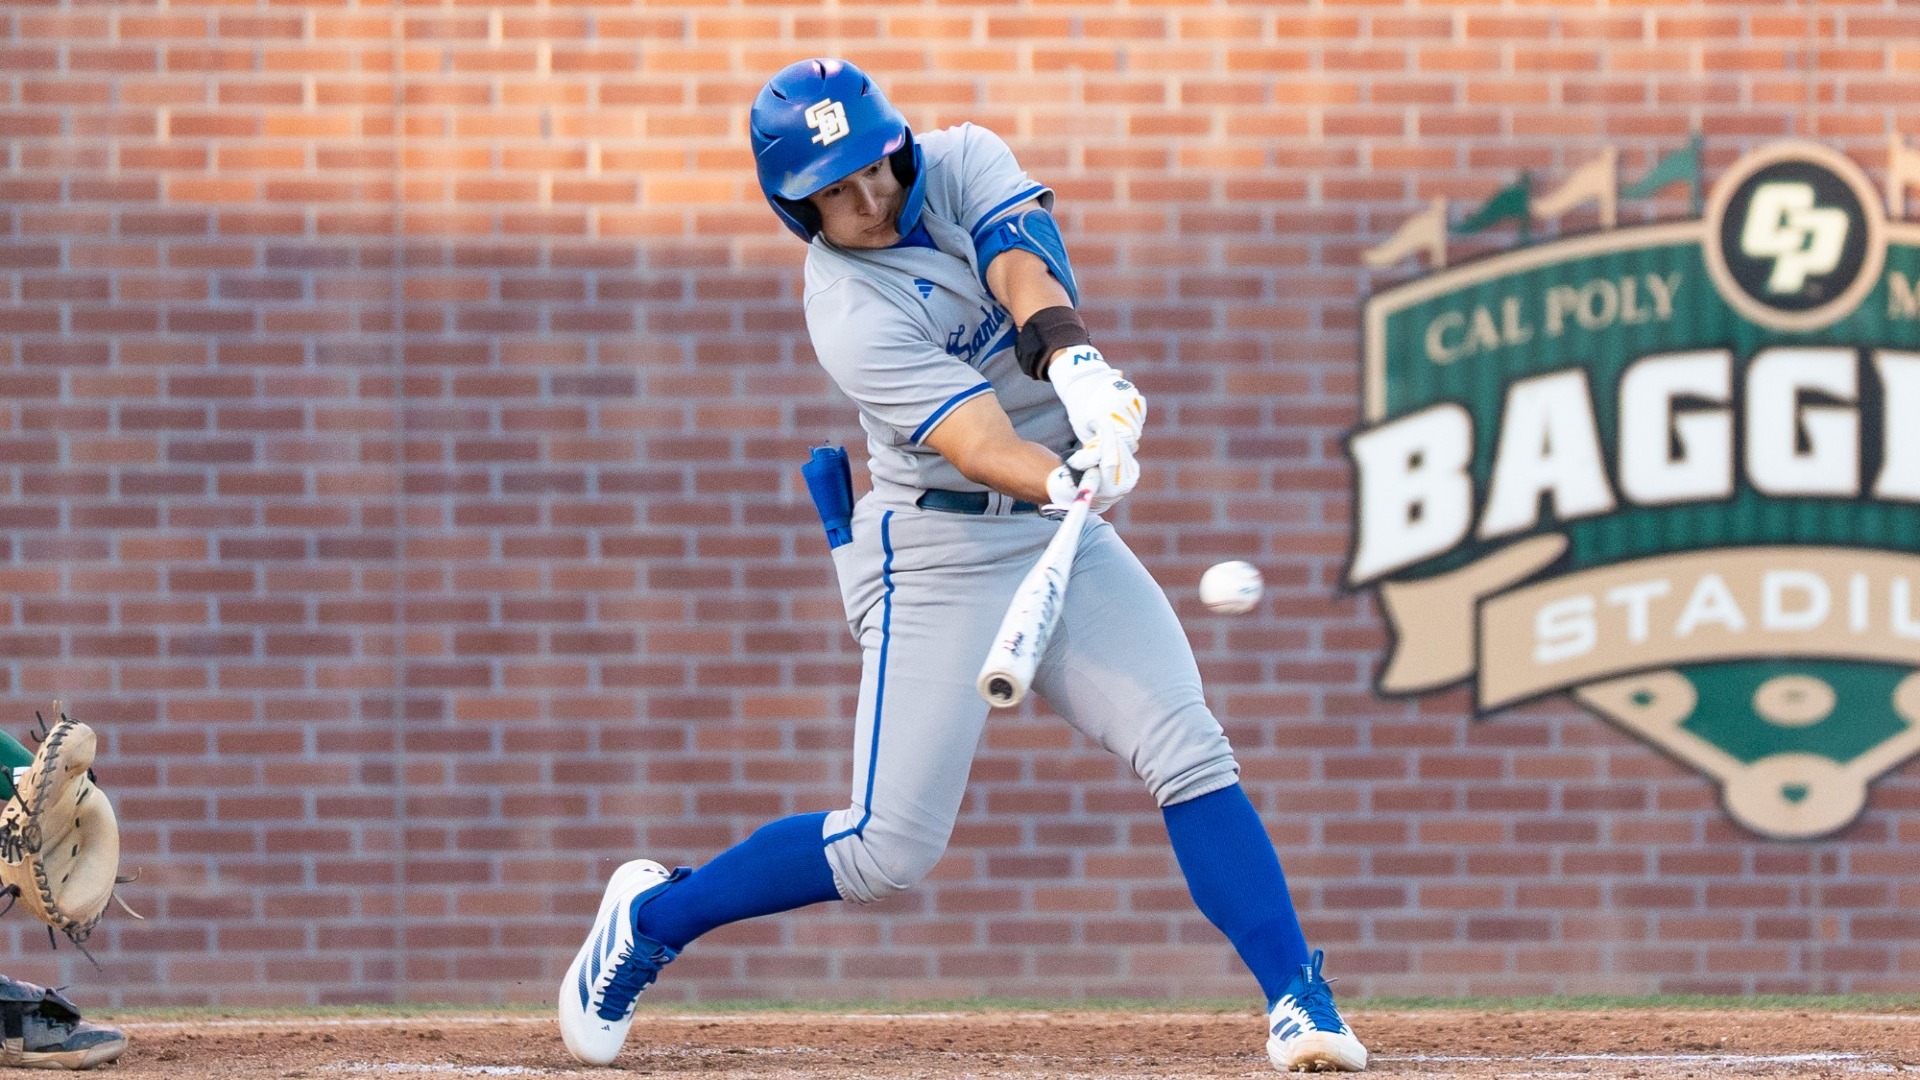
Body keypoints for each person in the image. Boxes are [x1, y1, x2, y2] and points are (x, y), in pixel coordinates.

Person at [558, 58, 1368, 1074]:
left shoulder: (962, 157)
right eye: (837, 192)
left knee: (1188, 748)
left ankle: (1299, 998)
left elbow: (1020, 265)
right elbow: (979, 440)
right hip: (938, 551)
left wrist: (1078, 365)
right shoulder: (847, 310)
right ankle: (652, 915)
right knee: (884, 851)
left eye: (877, 168)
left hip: (1057, 531)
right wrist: (1066, 478)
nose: (871, 199)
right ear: (796, 208)